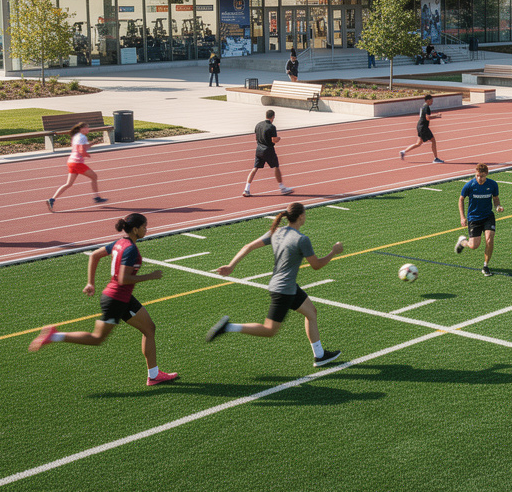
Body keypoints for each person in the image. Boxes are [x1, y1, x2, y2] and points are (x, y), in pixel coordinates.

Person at [28, 213, 179, 386]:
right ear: (136, 229)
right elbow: (123, 279)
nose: (147, 229)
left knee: (149, 328)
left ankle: (154, 375)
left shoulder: (120, 243)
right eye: (145, 226)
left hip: (122, 297)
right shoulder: (130, 249)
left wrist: (90, 282)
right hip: (117, 300)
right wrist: (150, 276)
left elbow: (94, 256)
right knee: (97, 338)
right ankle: (54, 336)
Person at [206, 202, 344, 366]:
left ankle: (319, 355)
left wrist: (231, 265)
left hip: (287, 286)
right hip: (284, 290)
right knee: (269, 330)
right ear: (301, 216)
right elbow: (316, 265)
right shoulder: (302, 239)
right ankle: (229, 327)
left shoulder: (277, 232)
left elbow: (248, 246)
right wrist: (333, 252)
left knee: (311, 312)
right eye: (305, 214)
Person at [455, 163, 503, 276]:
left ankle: (485, 266)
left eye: (481, 176)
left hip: (488, 216)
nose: (479, 178)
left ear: (486, 174)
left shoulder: (492, 185)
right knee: (473, 246)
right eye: (477, 175)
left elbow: (495, 199)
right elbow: (461, 200)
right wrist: (462, 217)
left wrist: (498, 206)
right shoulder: (469, 185)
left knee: (489, 240)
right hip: (474, 218)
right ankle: (463, 242)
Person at [47, 122, 108, 211]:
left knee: (68, 184)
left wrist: (92, 143)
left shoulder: (77, 136)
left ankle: (52, 199)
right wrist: (86, 154)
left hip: (71, 161)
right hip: (77, 163)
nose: (88, 129)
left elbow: (81, 147)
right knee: (94, 177)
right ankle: (96, 197)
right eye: (87, 128)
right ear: (82, 129)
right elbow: (81, 150)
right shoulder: (82, 137)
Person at [243, 110, 294, 197]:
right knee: (276, 167)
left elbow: (256, 138)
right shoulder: (271, 127)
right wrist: (278, 139)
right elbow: (273, 140)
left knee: (255, 168)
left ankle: (246, 189)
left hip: (258, 149)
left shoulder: (258, 125)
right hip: (268, 150)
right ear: (273, 117)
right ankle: (282, 188)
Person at [400, 93, 443, 163]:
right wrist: (437, 116)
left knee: (418, 143)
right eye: (431, 101)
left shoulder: (423, 106)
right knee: (433, 140)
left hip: (420, 126)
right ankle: (436, 158)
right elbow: (427, 118)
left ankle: (403, 151)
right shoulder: (426, 107)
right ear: (428, 100)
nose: (432, 102)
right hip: (423, 127)